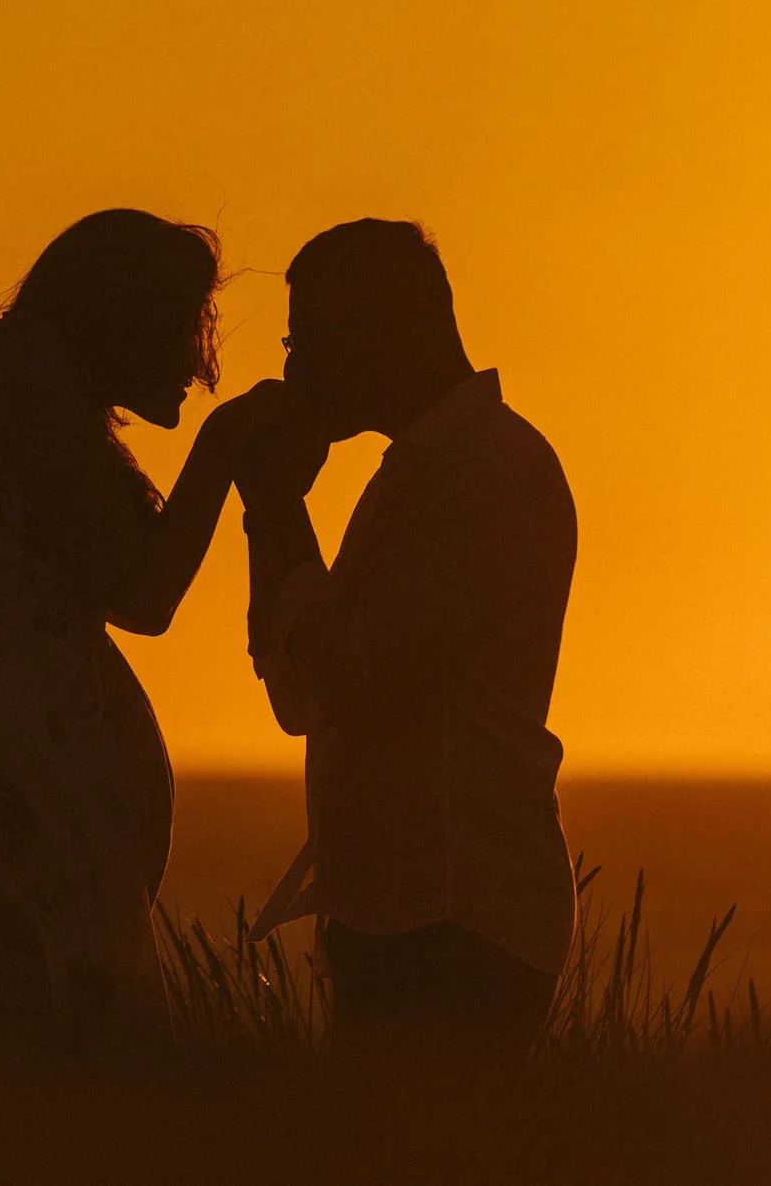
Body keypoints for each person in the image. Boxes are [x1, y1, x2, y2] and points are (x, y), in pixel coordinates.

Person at [0, 209, 289, 1048]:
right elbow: (146, 594)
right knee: (44, 1045)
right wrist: (223, 449)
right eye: (186, 323)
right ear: (127, 314)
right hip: (15, 768)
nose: (197, 360)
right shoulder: (32, 388)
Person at [236, 219, 578, 1057]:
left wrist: (276, 504)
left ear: (401, 328)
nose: (296, 370)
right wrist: (270, 514)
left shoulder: (479, 476)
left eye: (314, 338)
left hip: (455, 911)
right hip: (404, 909)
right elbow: (304, 693)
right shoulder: (420, 475)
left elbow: (355, 680)